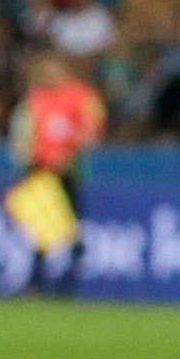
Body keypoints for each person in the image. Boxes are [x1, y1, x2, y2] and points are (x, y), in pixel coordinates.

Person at [7, 51, 106, 293]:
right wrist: (25, 157)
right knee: (40, 229)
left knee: (69, 227)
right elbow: (22, 133)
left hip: (68, 172)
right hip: (41, 172)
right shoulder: (35, 99)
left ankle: (69, 283)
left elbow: (94, 127)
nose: (49, 74)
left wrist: (71, 153)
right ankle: (36, 282)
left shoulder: (81, 96)